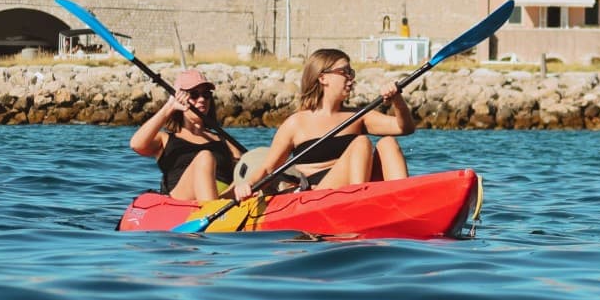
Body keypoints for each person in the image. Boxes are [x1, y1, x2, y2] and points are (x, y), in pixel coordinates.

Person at [243, 48, 415, 193]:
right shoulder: (296, 123)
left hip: (357, 186)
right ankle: (357, 202)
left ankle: (404, 199)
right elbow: (268, 168)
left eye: (351, 72)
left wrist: (397, 100)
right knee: (361, 143)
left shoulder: (358, 116)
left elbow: (404, 128)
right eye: (344, 72)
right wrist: (248, 185)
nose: (351, 78)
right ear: (323, 78)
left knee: (388, 143)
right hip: (319, 194)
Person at [129, 68, 244, 201]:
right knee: (205, 157)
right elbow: (136, 145)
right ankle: (211, 207)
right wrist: (169, 107)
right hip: (182, 198)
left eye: (206, 94)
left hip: (223, 197)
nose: (201, 99)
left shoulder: (225, 141)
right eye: (194, 95)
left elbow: (243, 172)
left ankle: (217, 205)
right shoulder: (165, 139)